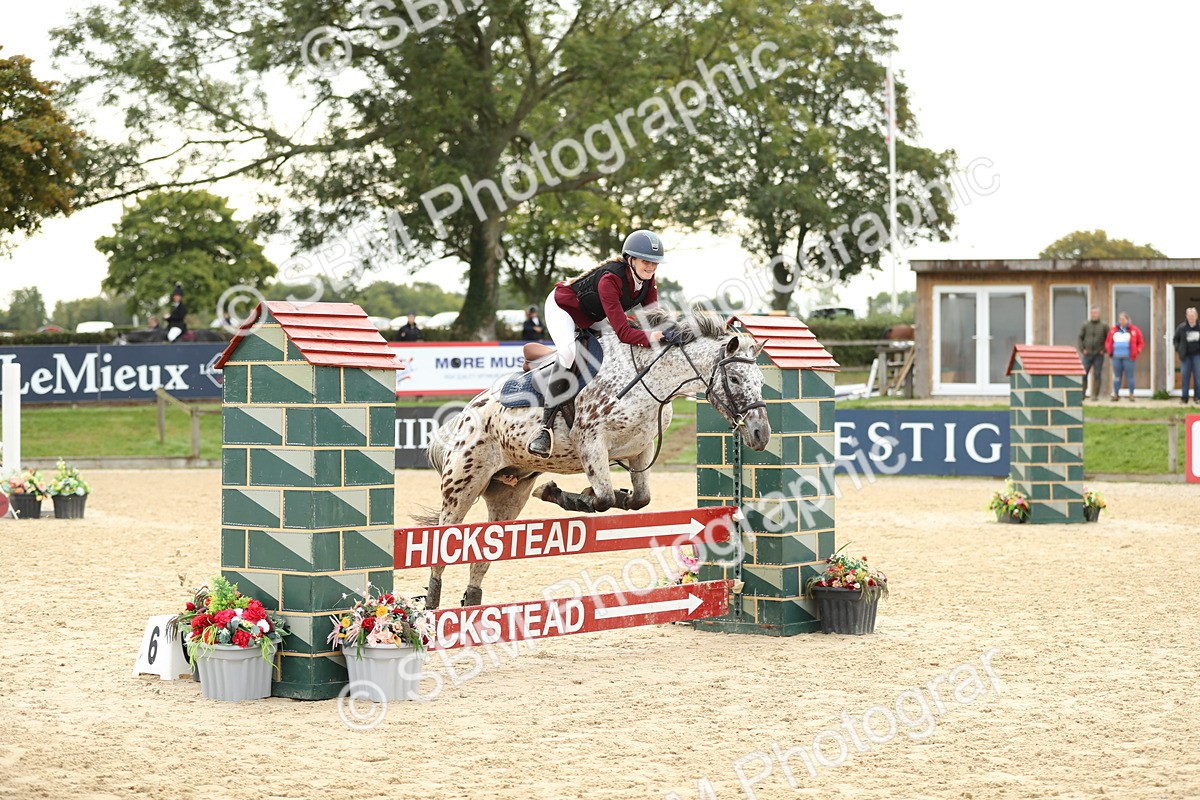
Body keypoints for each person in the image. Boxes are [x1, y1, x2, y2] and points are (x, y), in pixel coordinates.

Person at [526, 229, 670, 458]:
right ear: (630, 259)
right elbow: (624, 333)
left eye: (655, 263)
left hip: (593, 314)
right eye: (646, 262)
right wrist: (654, 337)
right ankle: (544, 428)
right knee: (568, 354)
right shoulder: (610, 279)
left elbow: (654, 318)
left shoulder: (648, 281)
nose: (651, 267)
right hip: (564, 308)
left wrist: (672, 330)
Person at [1105, 312, 1144, 401]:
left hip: (1129, 357)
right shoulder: (1113, 330)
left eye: (1123, 319)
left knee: (1130, 376)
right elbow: (1108, 341)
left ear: (1127, 320)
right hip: (1116, 357)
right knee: (1117, 376)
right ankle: (1116, 394)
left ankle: (1131, 394)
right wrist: (1109, 351)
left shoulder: (1134, 330)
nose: (1122, 321)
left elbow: (1140, 342)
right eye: (1120, 319)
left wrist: (1137, 350)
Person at [1077, 306, 1107, 401]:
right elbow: (1080, 337)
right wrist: (1082, 349)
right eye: (1092, 313)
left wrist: (1104, 350)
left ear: (1099, 314)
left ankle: (1095, 395)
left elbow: (1109, 339)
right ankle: (1082, 394)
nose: (1094, 315)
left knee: (1097, 374)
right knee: (1084, 373)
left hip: (1099, 354)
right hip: (1087, 354)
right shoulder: (1085, 325)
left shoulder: (1104, 325)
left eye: (1096, 313)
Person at [1173, 306, 1200, 404]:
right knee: (1185, 377)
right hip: (1185, 357)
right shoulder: (1181, 327)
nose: (1191, 317)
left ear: (1196, 316)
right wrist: (1178, 349)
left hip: (1197, 356)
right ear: (1187, 316)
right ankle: (1184, 398)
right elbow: (1175, 339)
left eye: (1193, 315)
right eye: (1189, 315)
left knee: (1198, 377)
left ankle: (1197, 397)